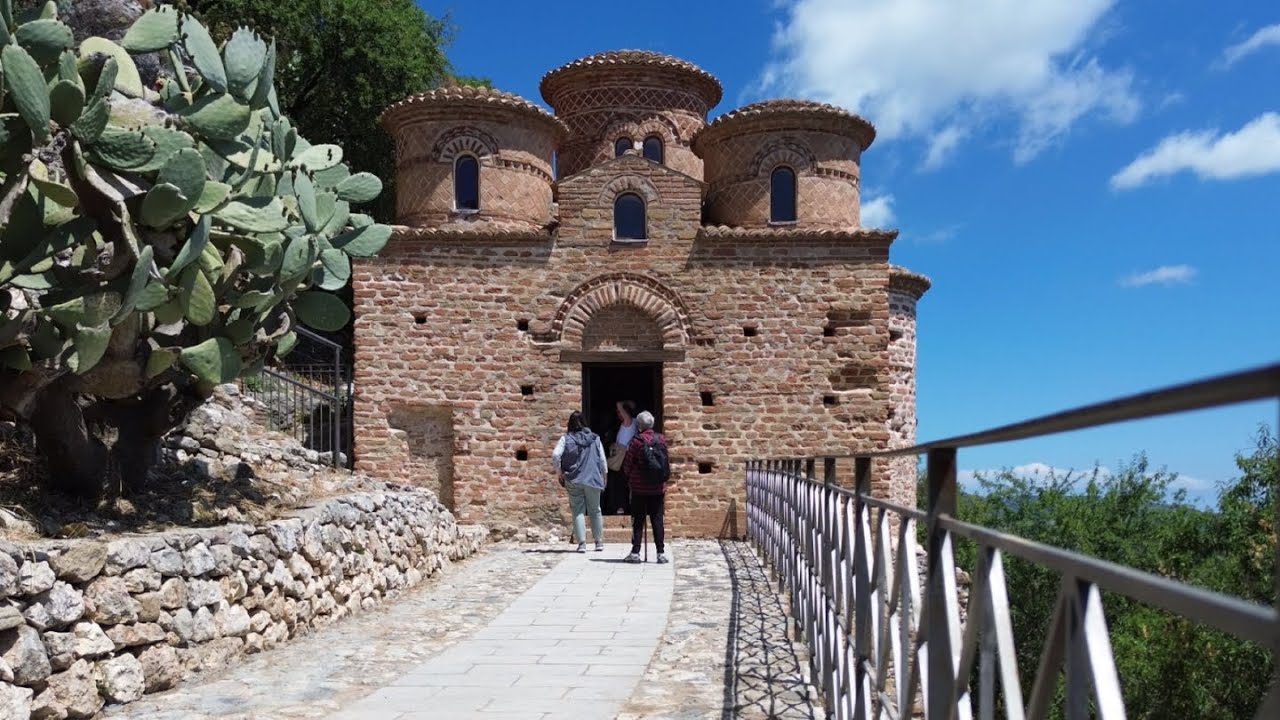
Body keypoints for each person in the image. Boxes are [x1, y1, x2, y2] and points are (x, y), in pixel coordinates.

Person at [551, 411, 607, 553]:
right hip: (593, 478)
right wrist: (604, 476)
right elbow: (602, 460)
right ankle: (598, 542)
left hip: (573, 478)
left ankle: (582, 543)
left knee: (577, 511)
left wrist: (560, 473)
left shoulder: (566, 438)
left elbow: (556, 455)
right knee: (595, 510)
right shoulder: (595, 439)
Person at [621, 411, 669, 564]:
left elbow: (628, 464)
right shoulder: (661, 439)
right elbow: (666, 462)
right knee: (657, 519)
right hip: (657, 487)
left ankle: (635, 553)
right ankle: (660, 553)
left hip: (638, 488)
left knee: (638, 520)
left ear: (639, 425)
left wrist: (629, 476)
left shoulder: (636, 442)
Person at [603, 400, 638, 515]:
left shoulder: (629, 422)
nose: (618, 414)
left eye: (620, 412)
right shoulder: (633, 422)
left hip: (623, 457)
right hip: (624, 456)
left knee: (620, 482)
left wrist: (624, 402)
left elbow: (618, 403)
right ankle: (623, 507)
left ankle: (621, 507)